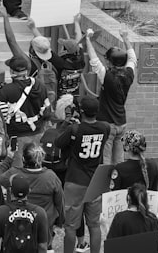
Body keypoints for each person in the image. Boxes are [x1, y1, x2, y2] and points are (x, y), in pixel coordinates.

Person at [57, 94, 109, 253]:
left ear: (80, 111)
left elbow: (59, 143)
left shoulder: (75, 128)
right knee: (94, 225)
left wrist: (67, 123)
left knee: (71, 226)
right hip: (96, 180)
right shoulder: (105, 127)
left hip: (75, 180)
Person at [93, 24, 137, 164]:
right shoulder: (129, 74)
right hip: (121, 122)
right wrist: (125, 38)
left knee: (105, 159)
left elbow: (94, 62)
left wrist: (88, 40)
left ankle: (106, 185)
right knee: (119, 159)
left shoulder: (107, 76)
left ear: (109, 61)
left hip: (107, 123)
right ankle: (119, 182)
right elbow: (132, 59)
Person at [0, 143, 64, 235]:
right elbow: (60, 203)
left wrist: (9, 158)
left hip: (17, 223)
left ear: (23, 159)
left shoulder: (13, 174)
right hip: (43, 225)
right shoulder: (51, 177)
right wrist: (59, 223)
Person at [0, 175, 49, 253]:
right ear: (29, 191)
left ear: (10, 191)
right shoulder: (39, 212)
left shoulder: (1, 212)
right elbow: (42, 245)